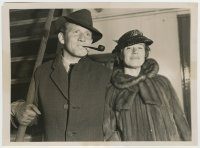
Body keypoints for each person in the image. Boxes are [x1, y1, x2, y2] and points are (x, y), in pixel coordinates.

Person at [11, 9, 112, 141]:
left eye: (87, 34)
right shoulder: (42, 72)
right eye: (76, 32)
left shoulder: (105, 74)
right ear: (62, 38)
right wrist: (18, 109)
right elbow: (34, 115)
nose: (83, 38)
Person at [103, 29, 191, 141]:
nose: (135, 51)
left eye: (140, 48)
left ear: (145, 53)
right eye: (129, 48)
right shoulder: (111, 90)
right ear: (120, 54)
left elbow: (181, 122)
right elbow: (109, 133)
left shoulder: (163, 82)